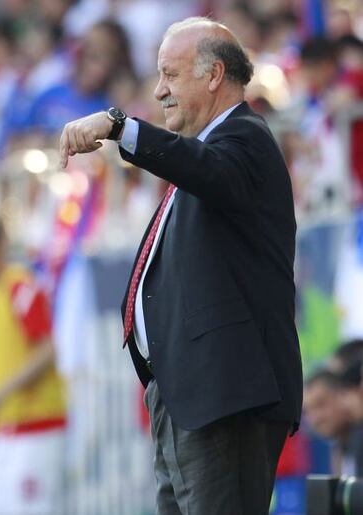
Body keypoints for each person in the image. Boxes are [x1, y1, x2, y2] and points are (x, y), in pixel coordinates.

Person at [60, 16, 303, 515]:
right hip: (190, 398)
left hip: (224, 398)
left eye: (170, 74)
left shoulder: (244, 139)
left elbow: (204, 170)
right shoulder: (208, 155)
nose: (159, 90)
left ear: (214, 75)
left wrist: (120, 127)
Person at [0, 218, 66, 515]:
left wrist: (0, 392)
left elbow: (48, 350)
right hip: (7, 430)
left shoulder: (19, 286)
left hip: (36, 425)